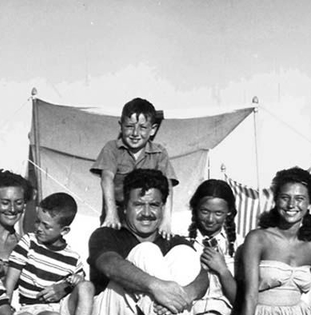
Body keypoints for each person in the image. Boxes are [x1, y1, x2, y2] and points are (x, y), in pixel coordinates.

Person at [88, 169, 208, 315]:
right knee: (146, 251)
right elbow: (108, 264)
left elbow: (202, 277)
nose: (146, 213)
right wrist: (155, 287)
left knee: (185, 253)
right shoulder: (108, 234)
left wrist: (187, 295)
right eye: (138, 204)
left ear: (163, 208)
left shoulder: (173, 241)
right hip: (110, 308)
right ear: (125, 207)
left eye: (154, 205)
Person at [239, 167, 311, 315]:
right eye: (285, 197)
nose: (291, 205)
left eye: (299, 199)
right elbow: (250, 297)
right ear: (275, 200)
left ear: (310, 203)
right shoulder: (258, 239)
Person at [90, 97, 178, 238]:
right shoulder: (112, 148)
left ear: (153, 129)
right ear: (121, 126)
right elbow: (107, 178)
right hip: (119, 217)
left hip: (146, 218)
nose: (135, 133)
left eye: (143, 127)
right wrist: (111, 214)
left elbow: (168, 185)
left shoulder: (159, 152)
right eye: (130, 126)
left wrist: (166, 221)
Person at [5, 192, 94, 315]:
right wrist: (4, 309)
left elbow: (79, 284)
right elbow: (10, 280)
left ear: (64, 230)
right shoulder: (29, 242)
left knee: (87, 286)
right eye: (38, 221)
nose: (39, 228)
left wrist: (75, 281)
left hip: (60, 308)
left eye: (46, 226)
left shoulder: (73, 259)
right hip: (29, 308)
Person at [187, 179, 238, 314]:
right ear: (195, 208)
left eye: (218, 213)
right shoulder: (180, 240)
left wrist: (222, 270)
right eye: (204, 211)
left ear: (229, 212)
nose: (210, 219)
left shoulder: (239, 245)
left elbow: (240, 301)